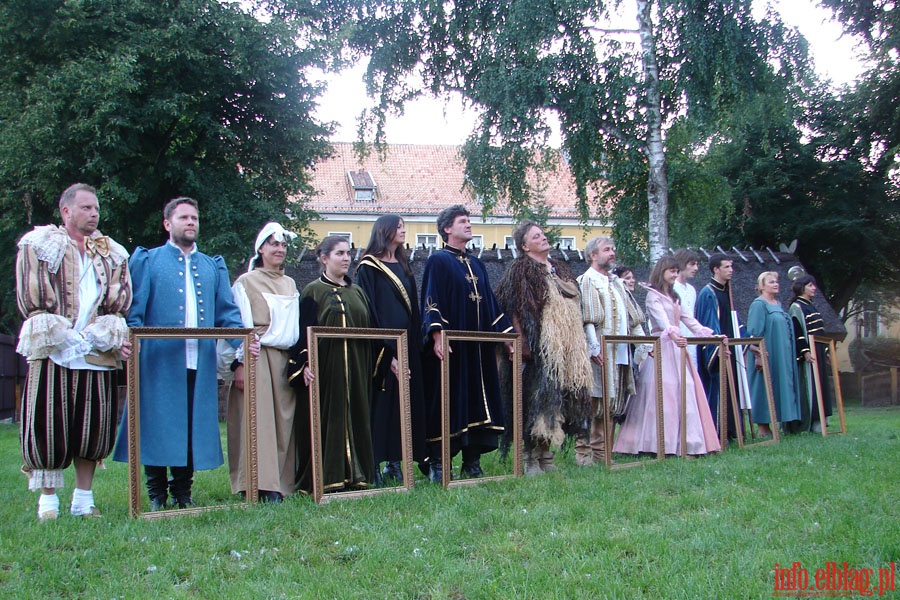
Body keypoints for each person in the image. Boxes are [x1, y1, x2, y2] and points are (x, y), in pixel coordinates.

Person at [112, 197, 251, 511]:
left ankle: (183, 494)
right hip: (157, 363)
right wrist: (130, 347)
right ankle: (157, 496)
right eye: (184, 217)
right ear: (167, 223)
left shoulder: (211, 265)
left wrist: (243, 344)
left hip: (198, 362)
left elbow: (227, 314)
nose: (191, 223)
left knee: (192, 426)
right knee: (158, 427)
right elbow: (134, 314)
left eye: (195, 218)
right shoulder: (148, 260)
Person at [16, 183, 132, 521]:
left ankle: (83, 500)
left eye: (96, 208)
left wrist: (95, 336)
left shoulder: (112, 252)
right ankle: (48, 502)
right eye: (85, 208)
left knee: (93, 427)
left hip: (95, 351)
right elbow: (33, 296)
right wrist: (65, 336)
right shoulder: (41, 245)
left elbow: (117, 302)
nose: (93, 213)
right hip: (56, 348)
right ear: (66, 211)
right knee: (48, 423)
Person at [420, 205, 514, 482]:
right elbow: (430, 298)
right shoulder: (437, 261)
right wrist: (437, 334)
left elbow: (492, 306)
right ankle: (439, 461)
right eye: (463, 221)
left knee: (478, 401)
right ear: (447, 229)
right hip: (453, 348)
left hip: (479, 349)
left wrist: (507, 338)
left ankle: (472, 462)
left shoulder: (478, 264)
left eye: (470, 220)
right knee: (449, 401)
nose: (469, 225)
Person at [495, 221, 592, 475]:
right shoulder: (520, 270)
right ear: (524, 246)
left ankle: (547, 456)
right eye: (536, 236)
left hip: (567, 350)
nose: (543, 238)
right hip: (539, 350)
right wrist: (522, 343)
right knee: (535, 402)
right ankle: (530, 458)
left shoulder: (560, 268)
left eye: (543, 234)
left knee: (558, 402)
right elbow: (512, 308)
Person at [289, 236, 375, 493]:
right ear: (324, 258)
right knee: (330, 418)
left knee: (358, 414)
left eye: (348, 253)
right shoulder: (312, 292)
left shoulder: (358, 292)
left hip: (357, 367)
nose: (346, 258)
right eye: (339, 253)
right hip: (326, 368)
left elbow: (372, 331)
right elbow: (301, 332)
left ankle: (358, 475)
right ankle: (328, 476)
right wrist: (304, 363)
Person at [612, 256, 722, 456]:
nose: (675, 274)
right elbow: (662, 321)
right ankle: (654, 442)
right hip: (661, 346)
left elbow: (689, 319)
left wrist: (708, 333)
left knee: (686, 388)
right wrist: (673, 334)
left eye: (677, 271)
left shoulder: (674, 296)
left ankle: (688, 441)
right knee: (662, 391)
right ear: (662, 271)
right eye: (672, 271)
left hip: (677, 348)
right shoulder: (653, 295)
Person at [225, 223, 299, 503]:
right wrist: (239, 363)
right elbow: (238, 326)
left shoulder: (290, 283)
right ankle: (257, 482)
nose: (279, 249)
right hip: (257, 355)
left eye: (282, 245)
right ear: (261, 249)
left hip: (283, 357)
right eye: (273, 244)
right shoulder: (246, 282)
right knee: (258, 421)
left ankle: (280, 482)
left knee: (283, 421)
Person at [356, 215, 427, 485]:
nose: (403, 230)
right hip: (382, 345)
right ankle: (373, 462)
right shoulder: (368, 267)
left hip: (407, 340)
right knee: (381, 404)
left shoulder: (404, 264)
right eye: (398, 227)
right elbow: (369, 309)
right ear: (384, 231)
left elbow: (414, 307)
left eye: (404, 226)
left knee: (405, 403)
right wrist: (387, 351)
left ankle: (397, 461)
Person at [576, 237, 644, 466]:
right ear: (593, 255)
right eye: (607, 250)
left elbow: (633, 318)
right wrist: (593, 346)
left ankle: (602, 454)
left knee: (611, 404)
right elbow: (588, 318)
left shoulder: (617, 283)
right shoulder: (587, 280)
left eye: (613, 249)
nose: (612, 253)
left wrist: (644, 344)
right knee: (592, 402)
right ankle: (583, 454)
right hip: (597, 352)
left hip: (619, 352)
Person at [746, 271, 801, 436]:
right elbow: (754, 332)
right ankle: (763, 427)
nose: (776, 284)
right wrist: (758, 355)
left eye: (776, 281)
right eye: (771, 282)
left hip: (782, 356)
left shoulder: (777, 304)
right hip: (767, 354)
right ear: (761, 286)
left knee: (781, 384)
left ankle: (785, 422)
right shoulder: (759, 304)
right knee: (764, 386)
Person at [694, 253, 743, 438]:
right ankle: (717, 432)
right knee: (718, 388)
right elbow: (708, 324)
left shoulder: (727, 291)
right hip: (717, 350)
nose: (731, 270)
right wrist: (717, 347)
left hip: (730, 347)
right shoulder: (709, 293)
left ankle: (732, 430)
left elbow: (734, 320)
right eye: (726, 267)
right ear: (716, 269)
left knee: (732, 389)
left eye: (731, 267)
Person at [788, 274, 833, 432]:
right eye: (810, 285)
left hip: (818, 349)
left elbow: (820, 330)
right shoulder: (797, 307)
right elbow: (798, 330)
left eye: (814, 285)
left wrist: (825, 352)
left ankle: (822, 417)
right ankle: (813, 421)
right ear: (801, 288)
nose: (814, 288)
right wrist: (805, 351)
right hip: (809, 351)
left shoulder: (811, 306)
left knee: (821, 383)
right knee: (811, 384)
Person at [672, 249, 701, 369]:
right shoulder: (671, 288)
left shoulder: (691, 290)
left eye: (697, 264)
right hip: (675, 341)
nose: (696, 268)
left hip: (691, 341)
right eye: (692, 264)